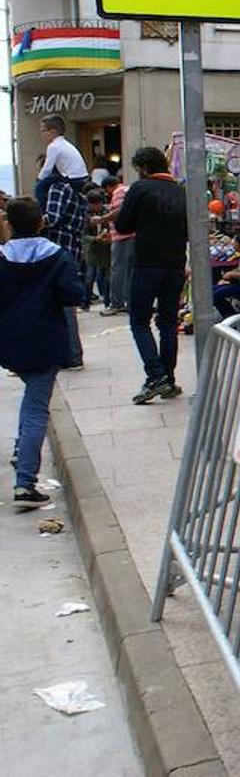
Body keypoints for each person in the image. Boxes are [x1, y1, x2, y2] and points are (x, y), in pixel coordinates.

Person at [0, 196, 84, 508]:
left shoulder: (2, 257)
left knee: (30, 402)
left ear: (9, 224)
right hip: (45, 340)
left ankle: (22, 451)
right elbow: (73, 294)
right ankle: (24, 482)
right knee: (36, 408)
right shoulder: (57, 256)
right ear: (42, 222)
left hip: (9, 341)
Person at [116, 147, 188, 405]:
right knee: (168, 322)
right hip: (176, 264)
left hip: (147, 263)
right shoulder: (181, 192)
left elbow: (122, 225)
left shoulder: (140, 188)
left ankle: (156, 376)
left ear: (144, 168)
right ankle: (168, 377)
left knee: (139, 321)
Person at [39, 117, 89, 369]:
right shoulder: (78, 194)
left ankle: (69, 354)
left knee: (63, 304)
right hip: (73, 249)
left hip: (60, 250)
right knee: (66, 301)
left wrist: (35, 220)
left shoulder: (58, 188)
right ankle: (71, 354)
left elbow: (53, 218)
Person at [96, 169, 132, 315]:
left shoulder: (119, 192)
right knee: (129, 271)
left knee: (117, 270)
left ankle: (116, 303)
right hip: (132, 235)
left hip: (123, 237)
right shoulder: (129, 189)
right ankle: (129, 301)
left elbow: (119, 212)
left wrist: (101, 219)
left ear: (109, 187)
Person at [34, 115, 88, 210]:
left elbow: (47, 169)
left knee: (40, 187)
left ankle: (42, 212)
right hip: (82, 177)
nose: (41, 134)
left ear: (53, 132)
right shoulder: (66, 144)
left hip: (72, 179)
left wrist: (38, 180)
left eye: (43, 130)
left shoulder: (53, 146)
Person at [81, 187, 111, 310]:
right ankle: (85, 302)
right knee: (89, 276)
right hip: (92, 249)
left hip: (105, 247)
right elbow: (83, 234)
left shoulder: (106, 212)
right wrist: (95, 239)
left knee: (106, 277)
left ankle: (107, 301)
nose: (97, 207)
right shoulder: (85, 215)